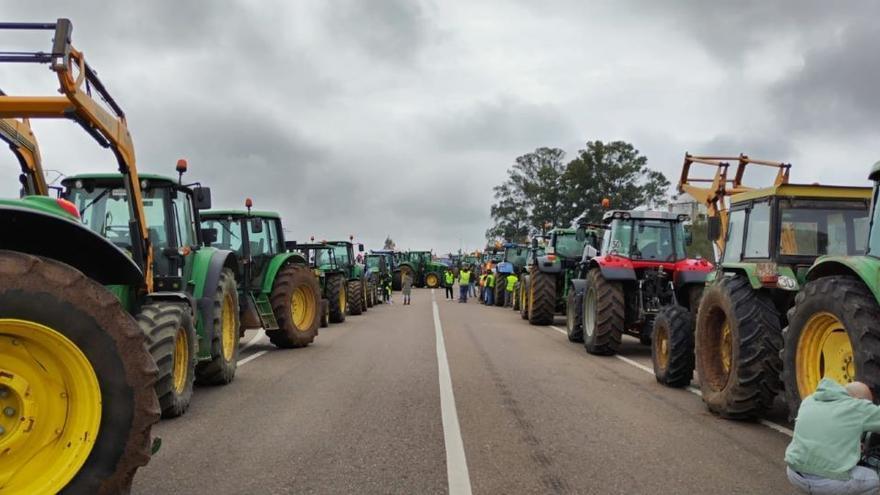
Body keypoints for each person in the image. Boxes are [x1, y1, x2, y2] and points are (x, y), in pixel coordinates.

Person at [785, 378, 880, 494]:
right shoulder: (857, 407)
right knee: (873, 479)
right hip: (827, 483)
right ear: (858, 400)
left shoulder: (809, 400)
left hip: (795, 474)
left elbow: (825, 432)